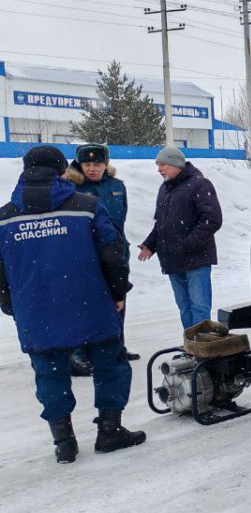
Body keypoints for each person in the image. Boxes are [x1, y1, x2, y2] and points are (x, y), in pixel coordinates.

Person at [0, 145, 144, 463]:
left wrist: (12, 306)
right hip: (90, 303)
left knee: (50, 373)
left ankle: (63, 442)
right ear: (62, 171)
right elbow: (113, 255)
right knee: (110, 363)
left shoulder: (5, 217)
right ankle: (109, 430)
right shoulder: (88, 207)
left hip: (36, 310)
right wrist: (118, 293)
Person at [66, 143, 139, 369]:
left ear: (106, 164)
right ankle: (81, 352)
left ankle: (117, 347)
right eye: (87, 164)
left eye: (97, 164)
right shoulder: (70, 188)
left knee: (118, 302)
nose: (92, 169)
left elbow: (121, 219)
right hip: (85, 254)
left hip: (115, 253)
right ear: (79, 165)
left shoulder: (117, 187)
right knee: (84, 304)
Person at [138, 147, 223, 329]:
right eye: (157, 165)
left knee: (199, 306)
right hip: (173, 260)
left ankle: (202, 350)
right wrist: (150, 245)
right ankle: (190, 347)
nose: (159, 169)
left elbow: (212, 220)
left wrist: (187, 245)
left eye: (163, 165)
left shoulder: (200, 184)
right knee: (184, 307)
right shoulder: (165, 188)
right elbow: (161, 223)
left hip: (196, 259)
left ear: (177, 165)